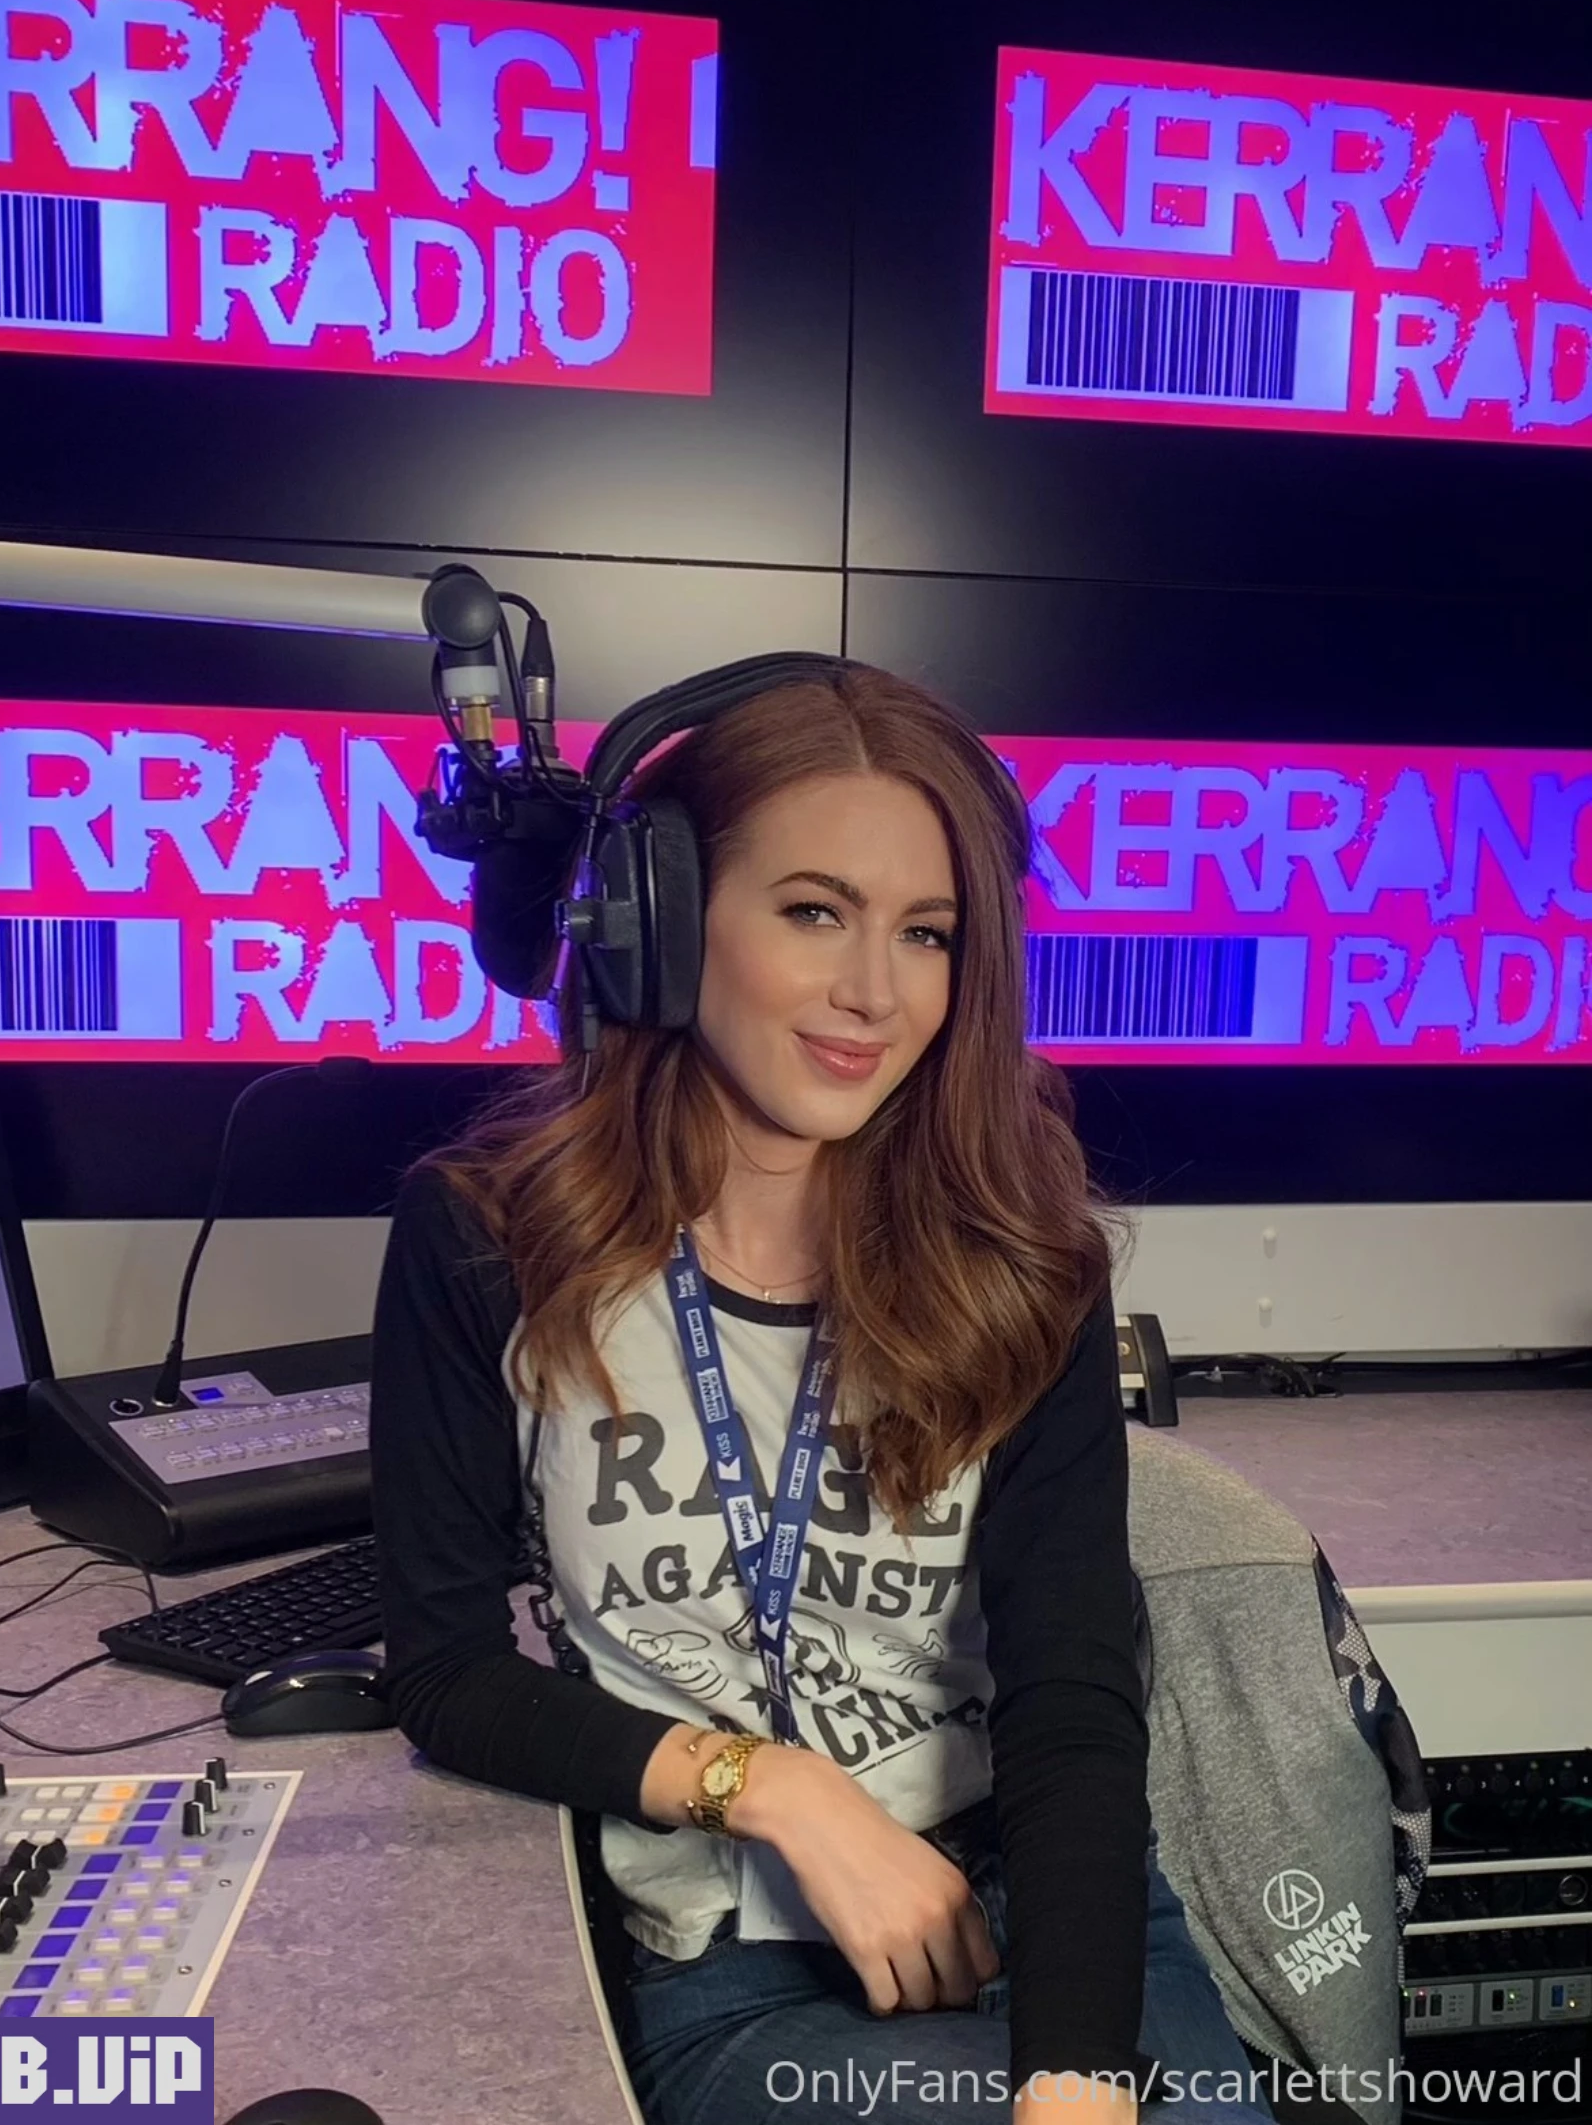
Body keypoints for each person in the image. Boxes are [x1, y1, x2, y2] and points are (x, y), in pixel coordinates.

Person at [369, 663, 1276, 2125]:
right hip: (726, 1951)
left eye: (928, 933)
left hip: (1038, 1909)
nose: (876, 993)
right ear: (661, 918)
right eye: (813, 912)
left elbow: (1070, 1700)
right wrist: (778, 1789)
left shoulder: (1024, 1265)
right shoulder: (487, 1239)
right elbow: (445, 1675)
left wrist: (1078, 2074)